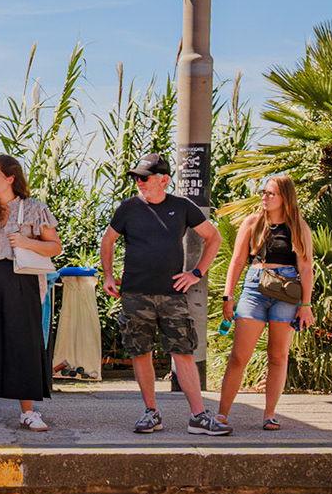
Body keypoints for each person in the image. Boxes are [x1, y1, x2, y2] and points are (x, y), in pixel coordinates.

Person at [99, 153, 225, 437]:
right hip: (134, 294)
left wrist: (196, 272)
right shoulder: (128, 208)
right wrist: (108, 275)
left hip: (172, 294)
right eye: (136, 178)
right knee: (140, 352)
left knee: (183, 352)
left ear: (164, 180)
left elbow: (213, 237)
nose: (139, 183)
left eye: (144, 178)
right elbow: (108, 241)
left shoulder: (182, 207)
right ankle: (151, 413)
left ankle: (199, 416)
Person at [0, 154, 62, 431]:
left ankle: (28, 412)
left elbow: (55, 247)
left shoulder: (34, 209)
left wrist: (28, 242)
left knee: (24, 343)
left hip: (22, 279)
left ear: (10, 178)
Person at [215, 173, 315, 432]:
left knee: (278, 356)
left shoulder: (299, 226)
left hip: (287, 290)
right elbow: (237, 262)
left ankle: (269, 415)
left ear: (285, 198)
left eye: (271, 193)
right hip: (254, 288)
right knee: (239, 356)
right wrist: (228, 296)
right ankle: (222, 414)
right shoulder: (253, 222)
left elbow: (305, 268)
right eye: (264, 191)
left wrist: (306, 304)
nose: (264, 196)